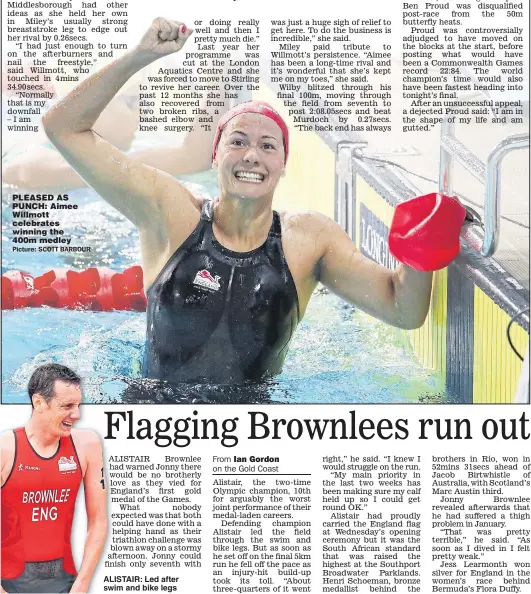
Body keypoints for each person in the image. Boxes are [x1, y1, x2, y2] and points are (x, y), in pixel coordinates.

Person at [42, 18, 434, 387]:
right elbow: (63, 128)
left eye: (267, 146)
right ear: (215, 156)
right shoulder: (170, 211)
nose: (251, 155)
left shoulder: (310, 239)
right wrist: (140, 56)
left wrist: (421, 250)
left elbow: (402, 309)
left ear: (282, 165)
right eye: (238, 141)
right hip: (155, 409)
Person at [1, 364, 107, 593]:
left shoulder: (87, 445)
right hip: (9, 583)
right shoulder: (6, 449)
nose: (77, 415)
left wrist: (82, 585)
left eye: (78, 405)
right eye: (67, 406)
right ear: (39, 403)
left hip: (65, 583)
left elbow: (98, 521)